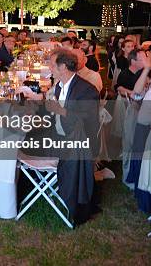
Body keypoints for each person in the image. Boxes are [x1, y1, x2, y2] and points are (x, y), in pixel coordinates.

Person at [45, 48, 100, 225]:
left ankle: (74, 204)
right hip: (59, 136)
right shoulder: (60, 86)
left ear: (63, 67)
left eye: (52, 65)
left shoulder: (87, 90)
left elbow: (87, 119)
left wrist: (59, 110)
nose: (49, 68)